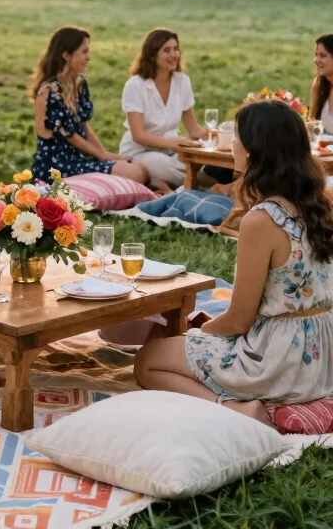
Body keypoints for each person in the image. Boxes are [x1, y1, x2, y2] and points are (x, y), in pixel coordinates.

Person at [134, 99, 333, 426]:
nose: (232, 143)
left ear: (255, 151)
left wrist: (197, 336)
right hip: (323, 354)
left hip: (280, 359)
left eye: (237, 136)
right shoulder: (320, 203)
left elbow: (239, 321)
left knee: (148, 360)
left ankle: (235, 410)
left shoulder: (262, 219)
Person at [31, 27, 148, 185]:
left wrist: (104, 153)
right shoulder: (49, 92)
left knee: (140, 167)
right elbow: (71, 137)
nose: (89, 57)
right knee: (134, 173)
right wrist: (102, 156)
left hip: (80, 157)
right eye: (84, 52)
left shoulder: (79, 85)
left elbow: (84, 127)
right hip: (58, 165)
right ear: (66, 56)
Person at [119, 28, 206, 190]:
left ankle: (174, 186)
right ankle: (204, 187)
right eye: (167, 50)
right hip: (140, 152)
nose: (174, 55)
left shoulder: (182, 81)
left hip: (172, 152)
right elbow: (138, 135)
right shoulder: (136, 85)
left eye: (176, 49)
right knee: (158, 164)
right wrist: (175, 142)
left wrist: (218, 135)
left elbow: (194, 130)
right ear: (152, 55)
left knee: (199, 162)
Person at [310, 33, 333, 133]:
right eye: (316, 55)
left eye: (323, 56)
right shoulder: (319, 85)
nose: (316, 60)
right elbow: (311, 123)